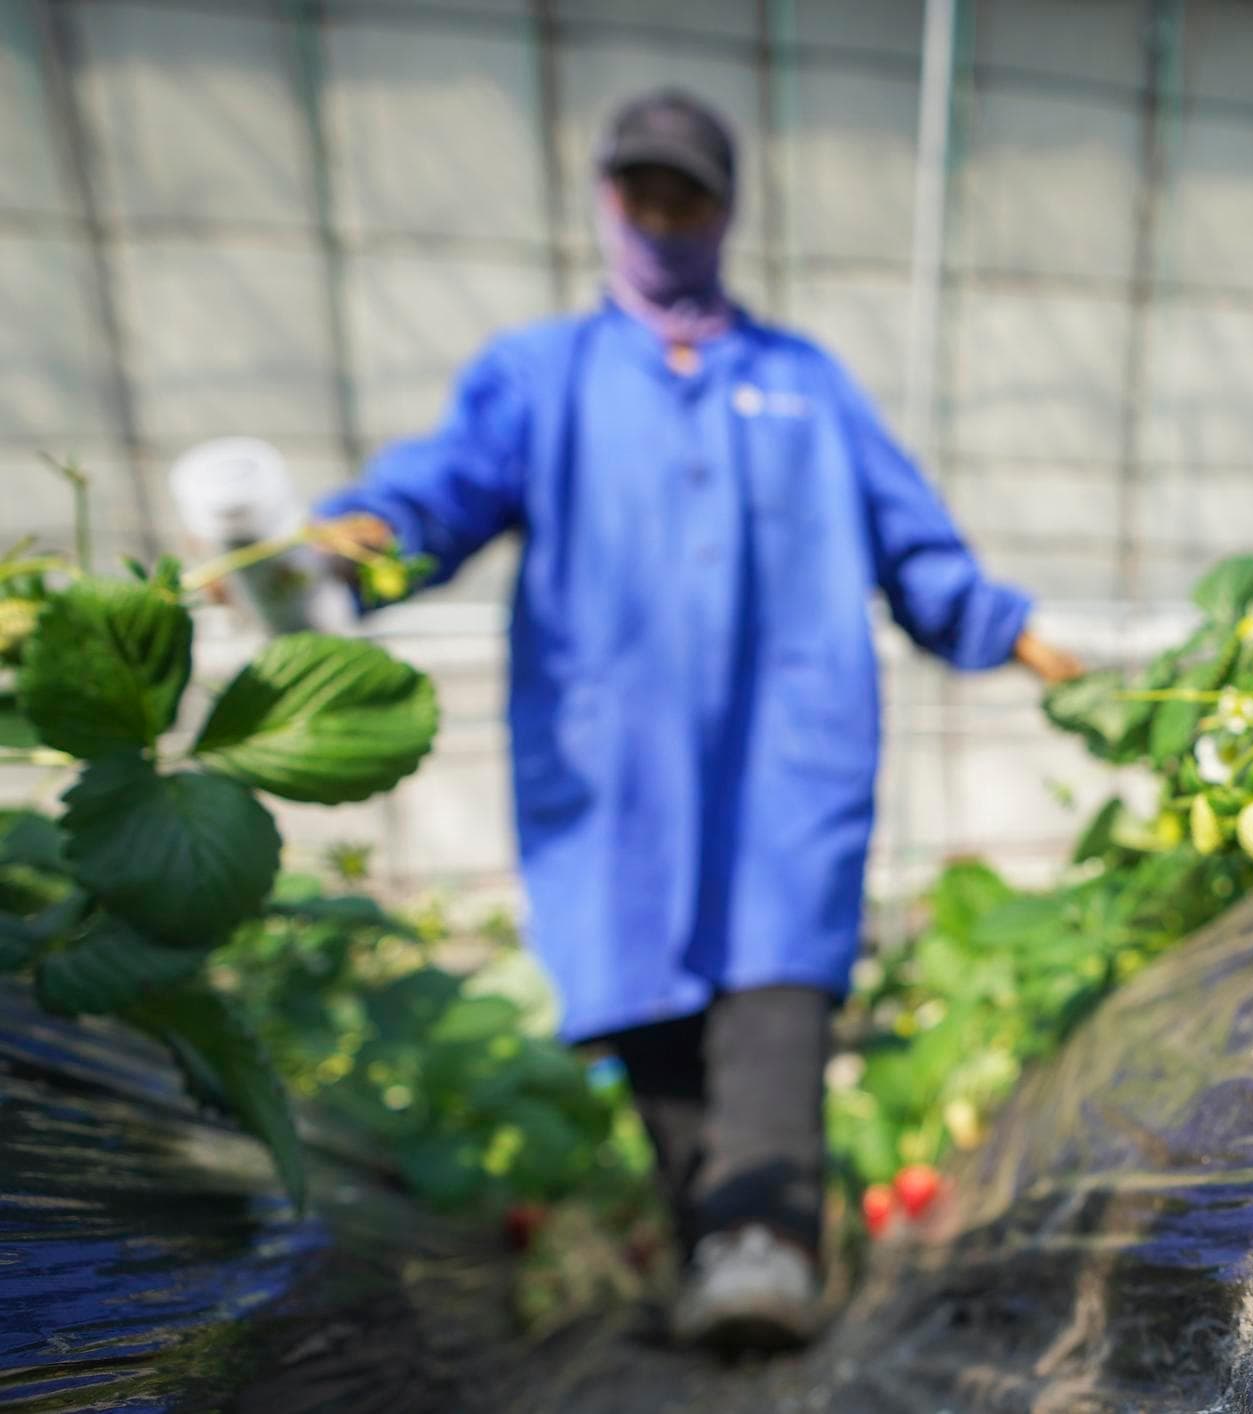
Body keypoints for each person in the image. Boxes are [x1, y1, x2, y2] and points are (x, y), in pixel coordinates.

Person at [315, 89, 1083, 1349]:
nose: (664, 217)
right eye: (643, 195)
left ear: (724, 210)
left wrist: (1002, 625)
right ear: (610, 203)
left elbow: (909, 537)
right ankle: (716, 1251)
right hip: (609, 753)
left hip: (785, 743)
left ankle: (770, 1247)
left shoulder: (802, 384)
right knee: (645, 1004)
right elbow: (441, 486)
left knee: (777, 984)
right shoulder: (541, 375)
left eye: (688, 196)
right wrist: (364, 538)